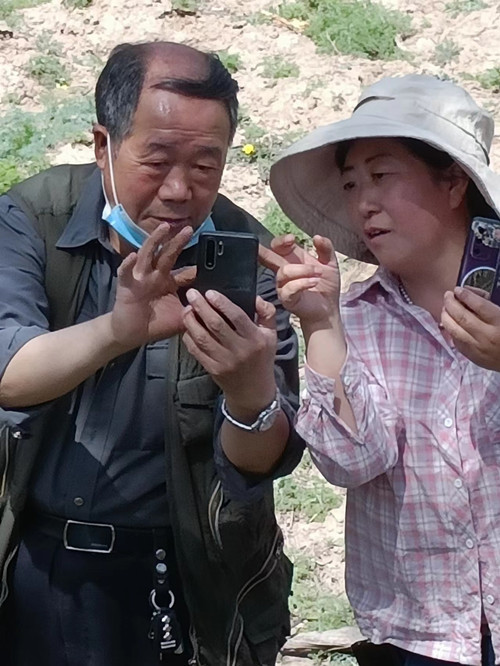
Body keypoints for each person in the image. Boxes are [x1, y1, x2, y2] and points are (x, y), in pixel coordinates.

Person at [0, 41, 303, 666]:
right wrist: (119, 329)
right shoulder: (33, 218)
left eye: (205, 166)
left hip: (182, 578)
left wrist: (249, 390)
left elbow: (259, 464)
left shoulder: (251, 261)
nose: (179, 189)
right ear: (102, 145)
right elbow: (10, 373)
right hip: (30, 565)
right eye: (157, 160)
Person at [261, 74, 500, 666]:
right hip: (419, 636)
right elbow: (351, 461)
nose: (363, 202)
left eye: (382, 175)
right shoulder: (359, 318)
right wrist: (321, 324)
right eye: (350, 184)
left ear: (454, 181)